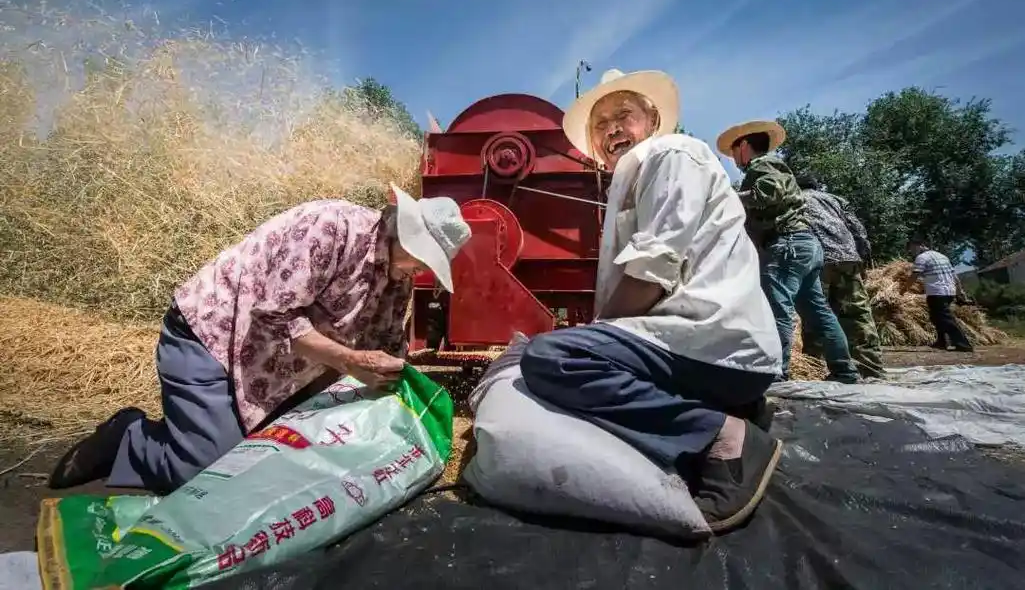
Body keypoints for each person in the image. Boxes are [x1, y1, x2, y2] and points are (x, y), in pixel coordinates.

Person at [48, 185, 472, 494]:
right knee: (202, 472)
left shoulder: (397, 278)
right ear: (406, 234)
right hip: (212, 339)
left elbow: (385, 347)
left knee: (271, 463)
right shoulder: (332, 227)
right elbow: (274, 317)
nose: (423, 273)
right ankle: (130, 437)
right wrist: (348, 362)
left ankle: (229, 428)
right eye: (424, 261)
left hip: (277, 367)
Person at [519, 68, 785, 534]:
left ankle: (725, 439)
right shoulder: (639, 169)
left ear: (655, 119)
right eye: (600, 124)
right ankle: (736, 407)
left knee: (549, 358)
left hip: (710, 341)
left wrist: (593, 339)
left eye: (624, 115)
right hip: (705, 347)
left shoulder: (670, 153)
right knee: (577, 349)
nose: (612, 129)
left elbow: (652, 269)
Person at [716, 121, 859, 384]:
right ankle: (845, 371)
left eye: (734, 152)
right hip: (805, 245)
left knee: (776, 311)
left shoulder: (762, 165)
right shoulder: (772, 166)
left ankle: (775, 373)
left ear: (744, 146)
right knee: (818, 311)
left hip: (786, 245)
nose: (734, 160)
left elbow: (770, 192)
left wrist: (729, 198)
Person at [793, 172, 886, 379]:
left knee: (816, 313)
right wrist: (863, 257)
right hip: (848, 258)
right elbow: (858, 229)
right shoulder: (836, 200)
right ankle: (871, 368)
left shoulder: (795, 199)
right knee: (858, 314)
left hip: (818, 259)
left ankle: (813, 367)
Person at [906, 239, 974, 352]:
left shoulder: (922, 258)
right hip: (949, 291)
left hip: (936, 291)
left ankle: (963, 344)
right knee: (936, 317)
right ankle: (942, 342)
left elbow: (915, 275)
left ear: (922, 245)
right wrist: (960, 293)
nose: (912, 252)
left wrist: (904, 289)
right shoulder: (942, 256)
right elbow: (955, 277)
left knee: (946, 319)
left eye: (913, 248)